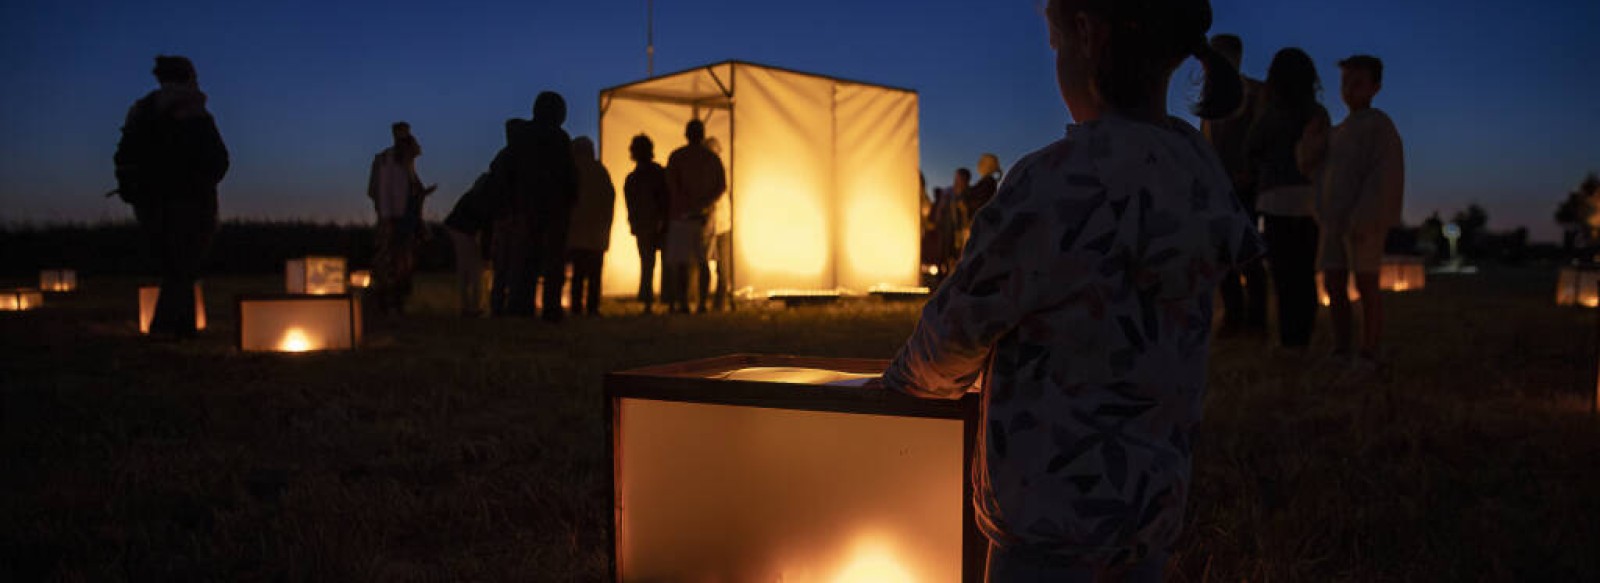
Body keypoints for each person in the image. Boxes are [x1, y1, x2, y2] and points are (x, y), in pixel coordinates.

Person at [881, 0, 1260, 580]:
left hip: (1048, 513)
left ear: (1086, 35)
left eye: (1056, 46)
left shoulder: (1054, 182)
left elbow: (959, 328)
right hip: (1151, 506)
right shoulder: (1199, 173)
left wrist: (902, 384)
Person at [113, 55, 229, 339]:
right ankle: (168, 328)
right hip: (189, 201)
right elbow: (217, 159)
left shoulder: (141, 111)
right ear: (188, 76)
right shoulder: (193, 110)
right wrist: (200, 182)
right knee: (184, 266)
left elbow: (124, 157)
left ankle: (181, 327)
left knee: (174, 266)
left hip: (150, 203)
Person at [1309, 55, 1406, 374]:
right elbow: (1315, 169)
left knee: (1366, 283)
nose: (1349, 90)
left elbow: (1385, 174)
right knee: (1334, 283)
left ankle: (1368, 350)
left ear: (1375, 87)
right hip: (1334, 221)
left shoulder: (1379, 126)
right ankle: (1341, 347)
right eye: (1345, 83)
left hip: (1363, 221)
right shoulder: (1338, 132)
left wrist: (1368, 214)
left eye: (1357, 83)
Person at [1247, 48, 1328, 350]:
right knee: (1305, 274)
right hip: (1309, 201)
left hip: (1275, 200)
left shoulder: (1270, 114)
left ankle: (1287, 338)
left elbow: (1251, 148)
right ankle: (1302, 336)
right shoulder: (1317, 113)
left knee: (1282, 275)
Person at [1201, 34, 1269, 337]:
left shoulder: (1255, 94)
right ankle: (1234, 316)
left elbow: (1266, 138)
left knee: (1248, 254)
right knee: (1222, 256)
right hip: (1217, 188)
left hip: (1245, 185)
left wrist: (1251, 170)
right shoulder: (1209, 99)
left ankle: (1255, 321)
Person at [502, 92, 578, 322]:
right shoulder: (559, 138)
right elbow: (569, 176)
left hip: (526, 206)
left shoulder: (521, 137)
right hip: (553, 208)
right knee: (553, 262)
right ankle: (551, 308)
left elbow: (509, 171)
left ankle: (520, 305)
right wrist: (570, 201)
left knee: (525, 259)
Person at [367, 121, 437, 315]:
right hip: (395, 219)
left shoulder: (408, 167)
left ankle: (398, 300)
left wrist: (422, 194)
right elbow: (382, 191)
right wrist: (387, 216)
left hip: (408, 219)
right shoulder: (387, 161)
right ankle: (386, 299)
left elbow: (410, 193)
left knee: (404, 261)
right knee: (391, 260)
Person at [663, 119, 726, 314]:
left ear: (686, 134)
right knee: (703, 261)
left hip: (681, 217)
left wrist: (684, 203)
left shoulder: (677, 156)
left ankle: (682, 303)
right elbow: (721, 186)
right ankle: (701, 304)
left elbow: (670, 185)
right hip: (704, 218)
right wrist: (705, 203)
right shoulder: (712, 159)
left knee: (682, 262)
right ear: (702, 134)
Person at [565, 136, 616, 317]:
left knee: (578, 274)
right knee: (594, 273)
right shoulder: (600, 171)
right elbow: (609, 199)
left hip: (576, 231)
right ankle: (592, 307)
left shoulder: (571, 170)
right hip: (597, 232)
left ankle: (576, 307)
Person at [624, 134, 670, 314]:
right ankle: (667, 300)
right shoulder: (658, 172)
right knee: (664, 263)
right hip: (658, 224)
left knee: (647, 263)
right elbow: (666, 198)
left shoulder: (633, 178)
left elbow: (631, 204)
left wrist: (633, 223)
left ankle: (648, 300)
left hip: (645, 225)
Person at [444, 171, 500, 318]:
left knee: (466, 269)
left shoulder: (473, 196)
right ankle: (472, 307)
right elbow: (487, 230)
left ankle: (467, 306)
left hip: (456, 229)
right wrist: (486, 256)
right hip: (462, 231)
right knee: (474, 269)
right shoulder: (485, 201)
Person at [705, 137, 735, 311]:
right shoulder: (705, 174)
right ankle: (705, 302)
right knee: (705, 266)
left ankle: (719, 303)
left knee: (722, 268)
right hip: (712, 225)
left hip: (722, 225)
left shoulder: (721, 172)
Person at [964, 153, 1003, 218]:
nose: (978, 164)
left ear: (988, 166)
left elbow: (980, 202)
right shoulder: (988, 182)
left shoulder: (988, 182)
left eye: (981, 162)